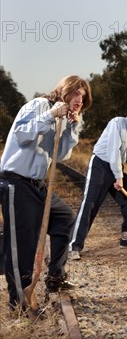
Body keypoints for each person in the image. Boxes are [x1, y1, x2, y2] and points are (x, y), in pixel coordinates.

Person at [0, 76, 92, 312]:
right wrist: (51, 114)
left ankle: (55, 278)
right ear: (64, 91)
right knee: (22, 245)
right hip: (16, 182)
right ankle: (19, 304)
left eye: (82, 97)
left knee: (64, 219)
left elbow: (61, 154)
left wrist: (72, 125)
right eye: (76, 93)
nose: (79, 100)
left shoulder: (62, 117)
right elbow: (22, 134)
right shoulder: (39, 106)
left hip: (37, 184)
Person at [68, 106, 127, 260]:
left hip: (116, 169)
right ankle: (74, 247)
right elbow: (113, 152)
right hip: (100, 165)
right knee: (90, 205)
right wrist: (119, 176)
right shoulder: (117, 123)